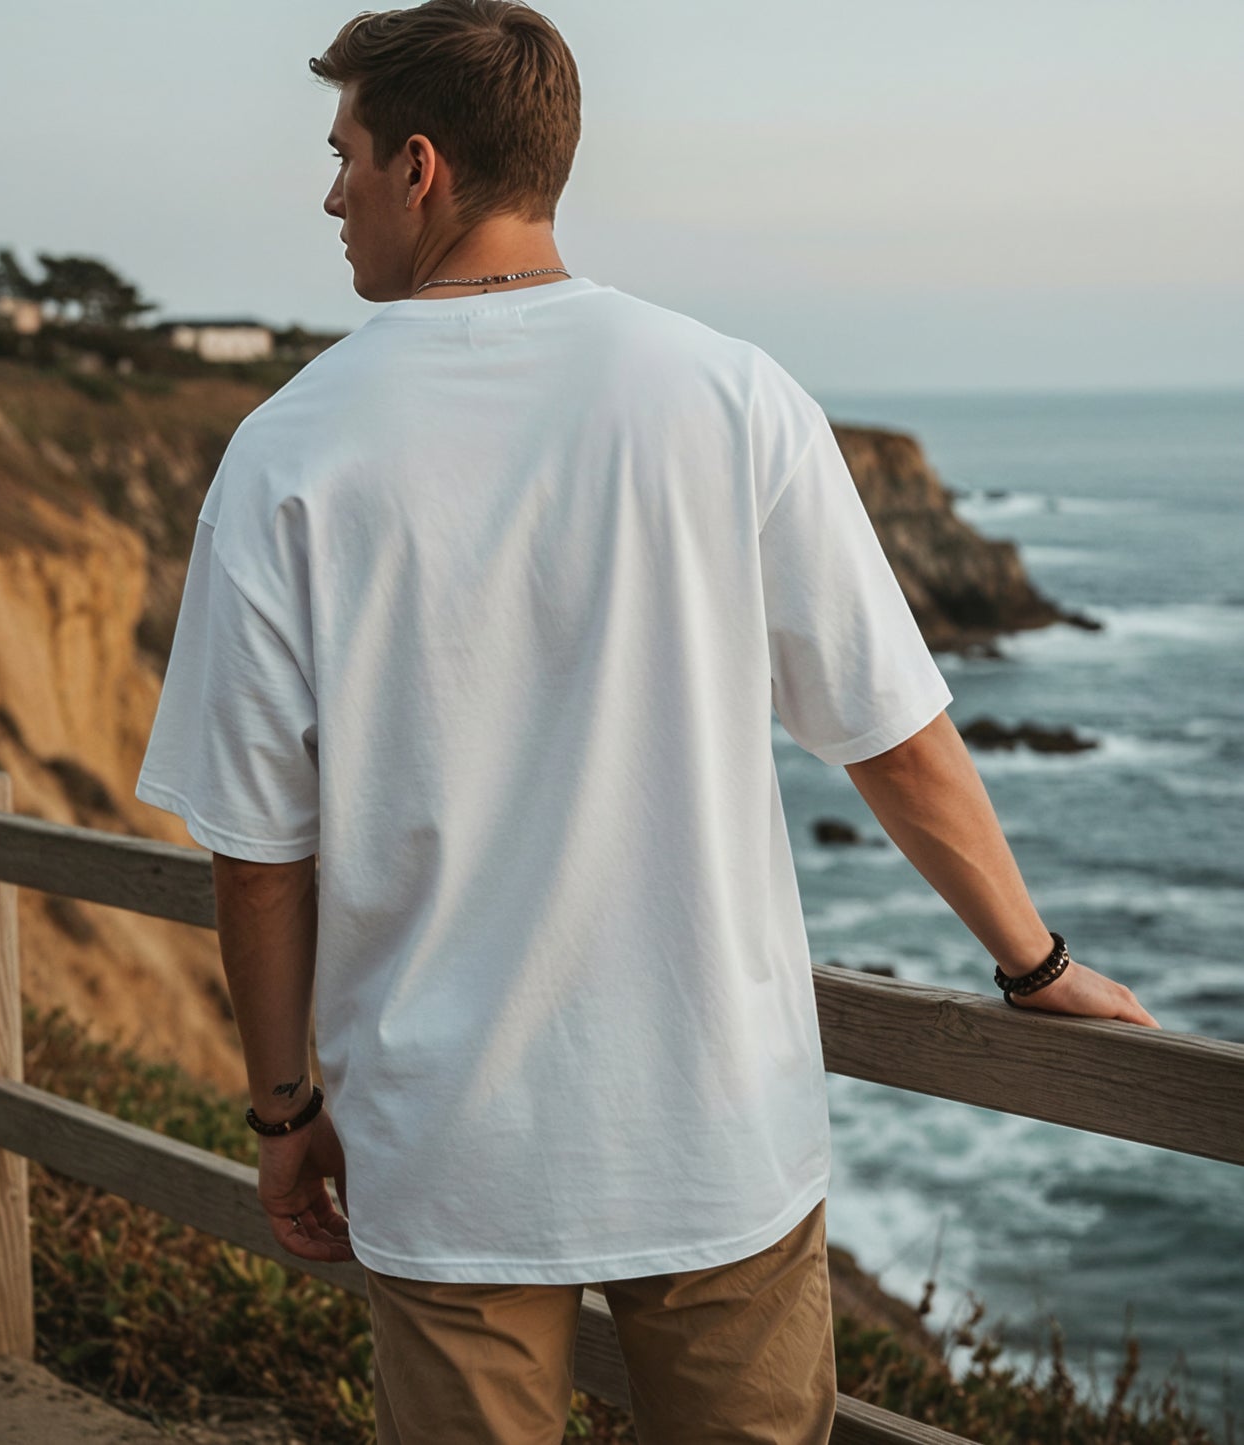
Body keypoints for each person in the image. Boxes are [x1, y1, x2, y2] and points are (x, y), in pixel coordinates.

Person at [135, 2, 1160, 1440]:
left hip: (445, 1150)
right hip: (712, 1127)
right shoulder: (730, 394)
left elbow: (259, 847)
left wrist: (280, 1107)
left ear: (419, 166)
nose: (332, 193)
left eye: (345, 154)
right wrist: (1032, 961)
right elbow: (890, 734)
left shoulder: (290, 449)